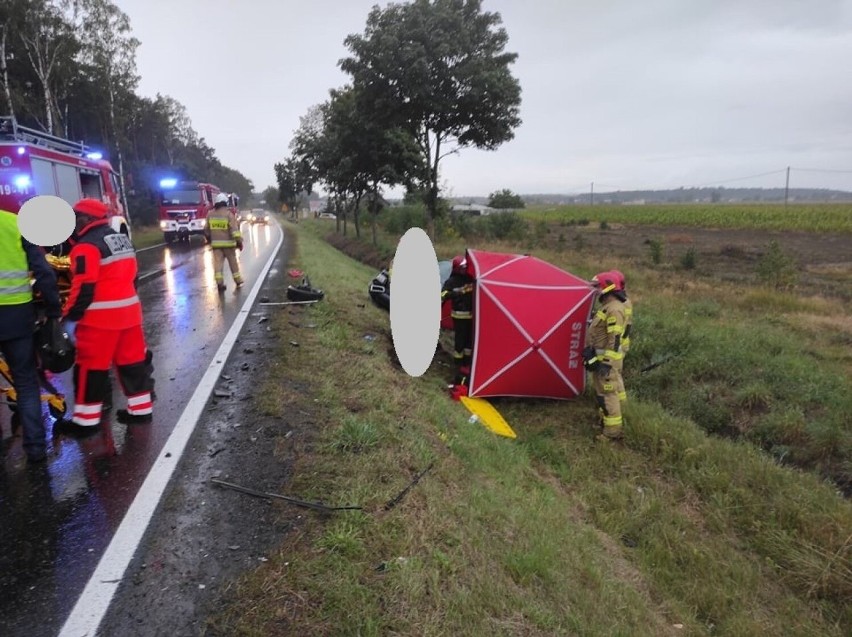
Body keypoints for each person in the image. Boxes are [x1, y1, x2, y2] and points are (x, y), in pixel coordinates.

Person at [60, 198, 154, 430]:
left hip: (100, 321)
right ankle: (141, 410)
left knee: (90, 369)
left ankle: (85, 422)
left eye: (77, 218)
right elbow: (134, 277)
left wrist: (69, 317)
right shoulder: (122, 240)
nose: (74, 223)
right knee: (133, 364)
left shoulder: (86, 247)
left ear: (88, 219)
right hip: (130, 315)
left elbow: (83, 288)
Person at [0, 208, 63, 462]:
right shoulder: (15, 223)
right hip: (17, 318)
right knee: (25, 383)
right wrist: (53, 310)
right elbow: (43, 270)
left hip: (17, 317)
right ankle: (35, 449)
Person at [583, 271, 627, 442]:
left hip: (606, 363)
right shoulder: (608, 307)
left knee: (609, 395)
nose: (596, 290)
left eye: (597, 287)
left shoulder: (615, 309)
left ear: (607, 287)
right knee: (602, 394)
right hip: (600, 360)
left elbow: (614, 339)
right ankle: (605, 423)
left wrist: (607, 363)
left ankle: (612, 433)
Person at [441, 255, 475, 388]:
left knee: (468, 341)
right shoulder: (452, 281)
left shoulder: (471, 279)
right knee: (460, 341)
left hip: (471, 316)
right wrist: (457, 292)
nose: (464, 269)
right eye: (462, 267)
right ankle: (458, 365)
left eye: (465, 267)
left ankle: (467, 363)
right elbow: (442, 295)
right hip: (459, 316)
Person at [204, 192, 244, 291]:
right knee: (233, 263)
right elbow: (235, 231)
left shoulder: (210, 214)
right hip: (229, 246)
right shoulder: (228, 214)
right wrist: (239, 242)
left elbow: (206, 229)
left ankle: (219, 284)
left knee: (217, 265)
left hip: (216, 246)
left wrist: (209, 239)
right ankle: (238, 281)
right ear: (225, 203)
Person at [609, 269, 633, 403]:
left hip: (618, 342)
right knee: (616, 374)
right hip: (622, 341)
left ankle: (621, 404)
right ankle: (622, 403)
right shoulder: (625, 300)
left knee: (615, 375)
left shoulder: (621, 303)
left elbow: (623, 325)